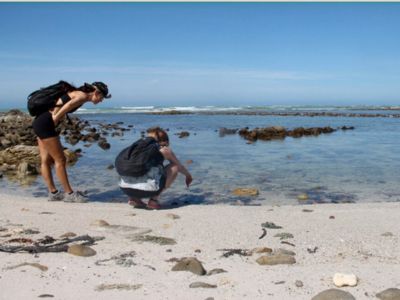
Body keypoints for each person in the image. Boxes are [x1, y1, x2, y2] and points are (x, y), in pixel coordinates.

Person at [31, 81, 111, 202]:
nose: (101, 100)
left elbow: (60, 103)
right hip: (46, 124)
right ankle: (69, 194)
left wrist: (54, 117)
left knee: (46, 160)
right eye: (102, 97)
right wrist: (55, 118)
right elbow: (67, 106)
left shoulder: (77, 93)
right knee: (60, 160)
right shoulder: (82, 96)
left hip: (40, 121)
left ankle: (54, 193)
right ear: (96, 92)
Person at [118, 126, 193, 209]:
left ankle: (134, 198)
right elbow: (179, 166)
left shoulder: (133, 149)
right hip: (148, 191)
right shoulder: (164, 150)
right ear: (165, 142)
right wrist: (188, 176)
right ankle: (153, 200)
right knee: (174, 167)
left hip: (125, 188)